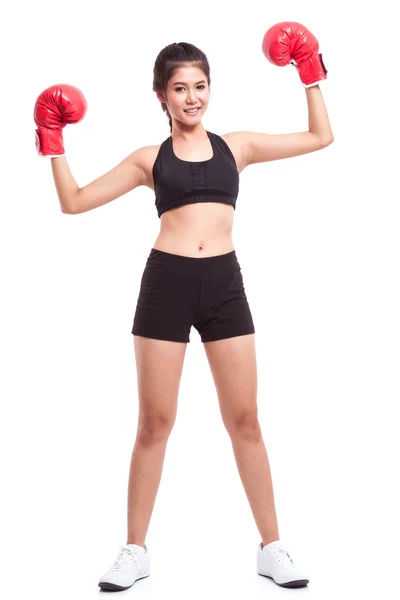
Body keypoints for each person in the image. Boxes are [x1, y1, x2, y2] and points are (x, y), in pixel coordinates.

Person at [34, 25, 333, 592]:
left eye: (200, 85)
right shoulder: (148, 159)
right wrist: (51, 138)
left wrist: (310, 68)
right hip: (167, 284)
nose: (192, 97)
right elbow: (73, 203)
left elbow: (320, 137)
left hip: (224, 283)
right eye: (180, 88)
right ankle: (134, 551)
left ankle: (272, 547)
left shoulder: (236, 146)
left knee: (245, 419)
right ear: (161, 96)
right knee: (154, 423)